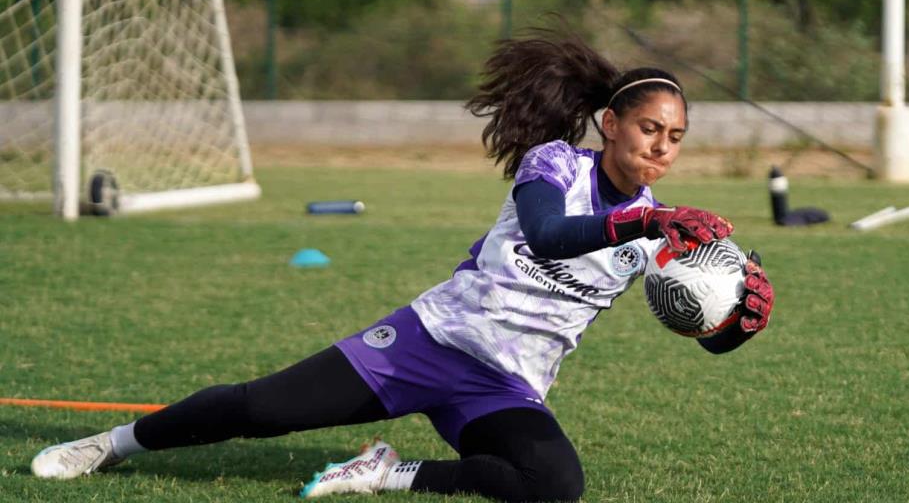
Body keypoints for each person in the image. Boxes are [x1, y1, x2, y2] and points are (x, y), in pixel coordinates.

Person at [30, 31, 774, 502]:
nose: (662, 148)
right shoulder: (556, 166)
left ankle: (383, 471)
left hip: (502, 384)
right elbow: (549, 235)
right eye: (650, 128)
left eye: (676, 137)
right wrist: (643, 219)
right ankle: (114, 444)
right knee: (259, 410)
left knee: (553, 486)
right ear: (610, 124)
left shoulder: (659, 231)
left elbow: (701, 331)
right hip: (429, 343)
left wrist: (739, 319)